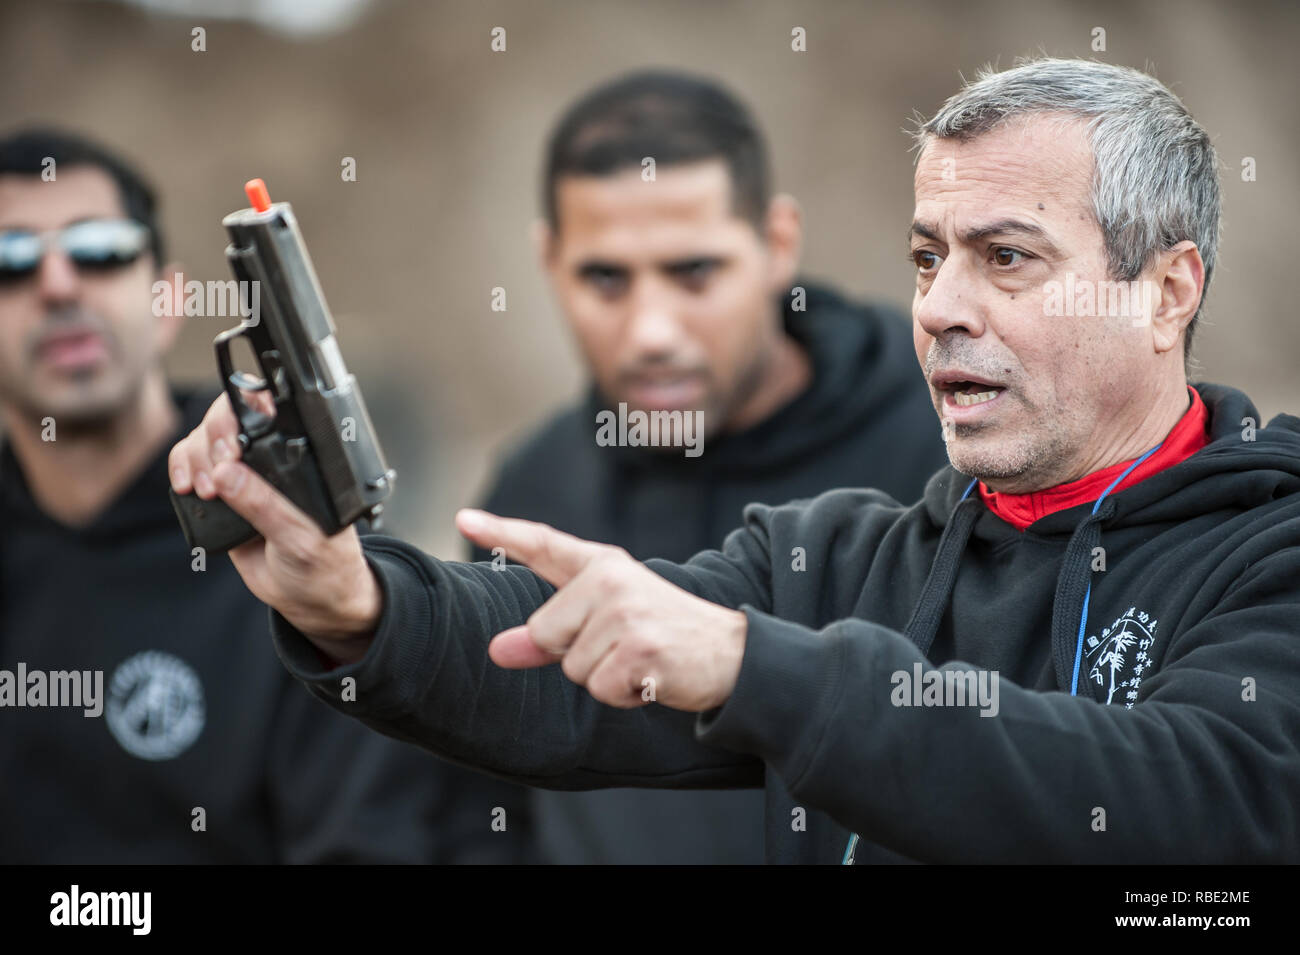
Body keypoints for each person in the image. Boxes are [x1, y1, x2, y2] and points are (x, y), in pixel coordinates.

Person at [169, 58, 1300, 863]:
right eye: (926, 257)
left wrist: (757, 669)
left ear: (1165, 292)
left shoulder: (1270, 549)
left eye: (1006, 258)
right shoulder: (833, 555)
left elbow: (1194, 795)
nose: (943, 308)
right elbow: (549, 669)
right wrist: (352, 599)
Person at [0, 128, 526, 863]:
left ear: (169, 299)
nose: (57, 285)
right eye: (11, 261)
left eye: (100, 249)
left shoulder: (286, 541)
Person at [468, 71, 946, 863]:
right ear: (548, 261)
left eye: (694, 273)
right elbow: (458, 801)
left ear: (777, 244)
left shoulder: (951, 442)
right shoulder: (531, 494)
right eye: (605, 278)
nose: (652, 329)